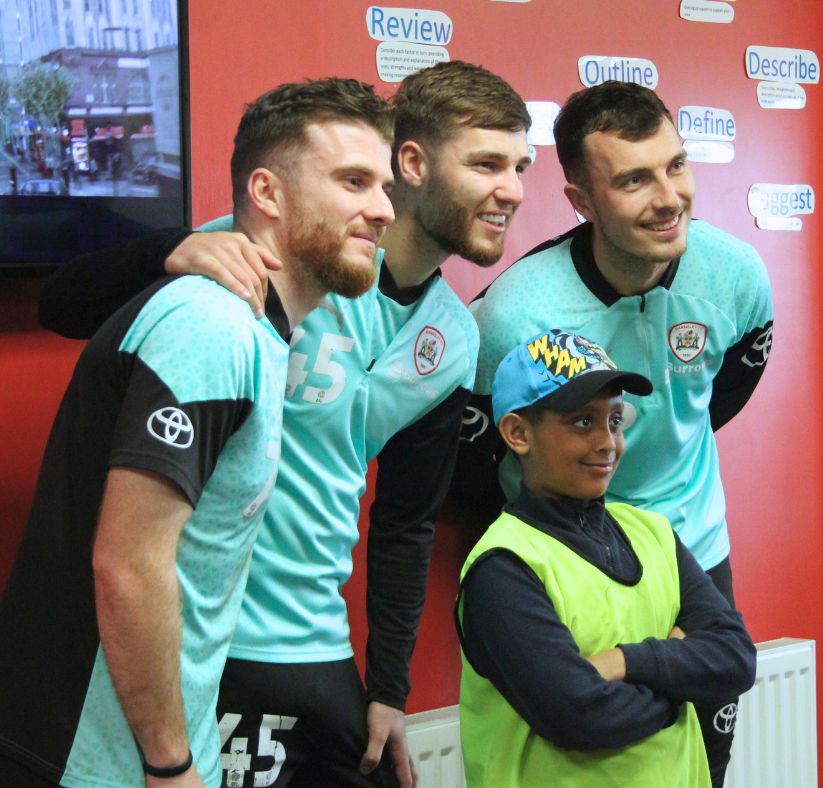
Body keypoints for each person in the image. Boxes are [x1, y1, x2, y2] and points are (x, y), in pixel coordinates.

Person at [37, 61, 531, 787]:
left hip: (314, 638)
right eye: (488, 163)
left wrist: (390, 688)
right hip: (204, 633)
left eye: (521, 166)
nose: (514, 189)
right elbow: (62, 307)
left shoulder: (452, 340)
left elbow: (406, 521)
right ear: (415, 164)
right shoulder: (272, 255)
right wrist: (165, 250)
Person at [0, 77, 394, 787]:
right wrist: (171, 764)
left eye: (385, 185)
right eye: (354, 181)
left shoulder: (256, 331)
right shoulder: (212, 327)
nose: (383, 209)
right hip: (96, 762)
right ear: (268, 193)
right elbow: (128, 565)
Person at [455, 81, 773, 786]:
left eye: (676, 166)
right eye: (634, 179)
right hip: (564, 563)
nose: (669, 198)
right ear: (582, 201)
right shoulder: (512, 317)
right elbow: (469, 461)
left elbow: (721, 397)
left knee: (701, 765)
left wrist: (646, 669)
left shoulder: (737, 276)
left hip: (687, 544)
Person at [456, 329, 757, 788]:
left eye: (615, 421)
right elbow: (580, 715)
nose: (608, 443)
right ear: (518, 433)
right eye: (582, 422)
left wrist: (623, 662)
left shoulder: (653, 533)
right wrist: (681, 683)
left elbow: (736, 658)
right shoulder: (503, 566)